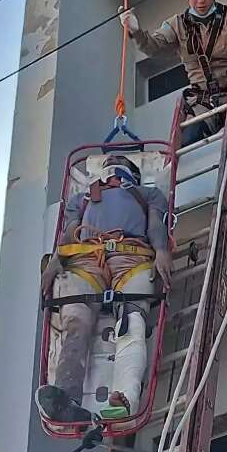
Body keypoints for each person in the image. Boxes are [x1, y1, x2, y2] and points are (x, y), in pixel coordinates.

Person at [35, 155, 173, 422]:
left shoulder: (149, 194)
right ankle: (67, 398)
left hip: (131, 256)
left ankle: (124, 398)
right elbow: (70, 232)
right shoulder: (83, 199)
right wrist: (55, 261)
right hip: (86, 259)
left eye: (119, 160)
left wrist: (161, 251)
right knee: (76, 321)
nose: (115, 161)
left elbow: (156, 225)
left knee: (132, 323)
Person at [120, 0, 227, 147]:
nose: (200, 0)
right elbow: (154, 47)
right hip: (202, 101)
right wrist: (136, 31)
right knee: (190, 140)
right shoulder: (176, 25)